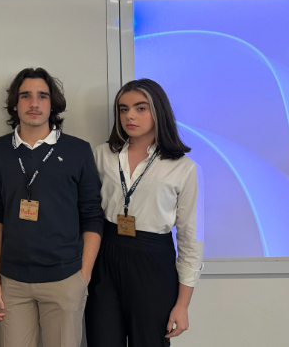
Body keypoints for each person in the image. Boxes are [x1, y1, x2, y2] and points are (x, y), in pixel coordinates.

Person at [0, 68, 104, 347]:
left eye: (42, 96)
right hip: (12, 282)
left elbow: (92, 216)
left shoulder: (78, 151)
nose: (34, 103)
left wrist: (83, 276)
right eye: (25, 96)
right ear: (15, 104)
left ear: (52, 104)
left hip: (64, 279)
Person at [85, 78, 203, 347]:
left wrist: (183, 305)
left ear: (158, 111)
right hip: (106, 255)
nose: (130, 116)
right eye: (123, 109)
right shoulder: (102, 155)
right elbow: (88, 212)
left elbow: (191, 238)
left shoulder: (183, 167)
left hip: (153, 261)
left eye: (140, 108)